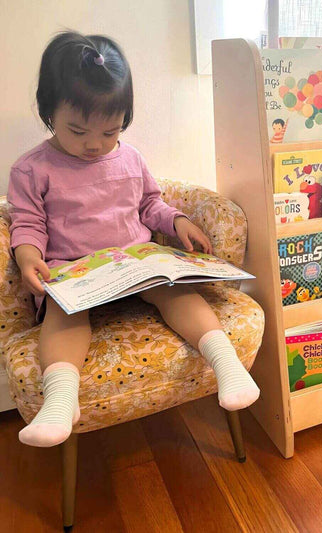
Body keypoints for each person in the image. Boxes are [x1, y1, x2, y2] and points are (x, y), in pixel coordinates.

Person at [8, 31, 260, 448]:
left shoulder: (130, 158)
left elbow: (149, 204)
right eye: (78, 130)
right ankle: (60, 401)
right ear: (47, 110)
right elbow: (27, 223)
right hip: (77, 275)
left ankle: (227, 366)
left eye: (109, 132)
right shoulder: (31, 169)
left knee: (178, 294)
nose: (95, 145)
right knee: (62, 313)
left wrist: (177, 221)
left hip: (136, 264)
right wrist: (28, 256)